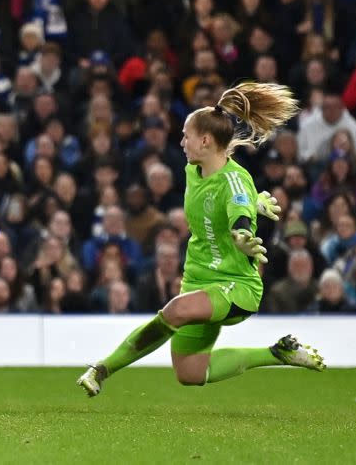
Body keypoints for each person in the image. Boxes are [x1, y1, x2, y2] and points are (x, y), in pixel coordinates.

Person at [77, 82, 325, 397]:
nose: (181, 142)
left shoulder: (235, 179)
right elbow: (235, 200)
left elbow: (238, 215)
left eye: (186, 135)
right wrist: (253, 200)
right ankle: (278, 353)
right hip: (198, 279)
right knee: (191, 372)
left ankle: (101, 369)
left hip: (235, 286)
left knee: (174, 312)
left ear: (205, 140)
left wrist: (244, 231)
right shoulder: (195, 170)